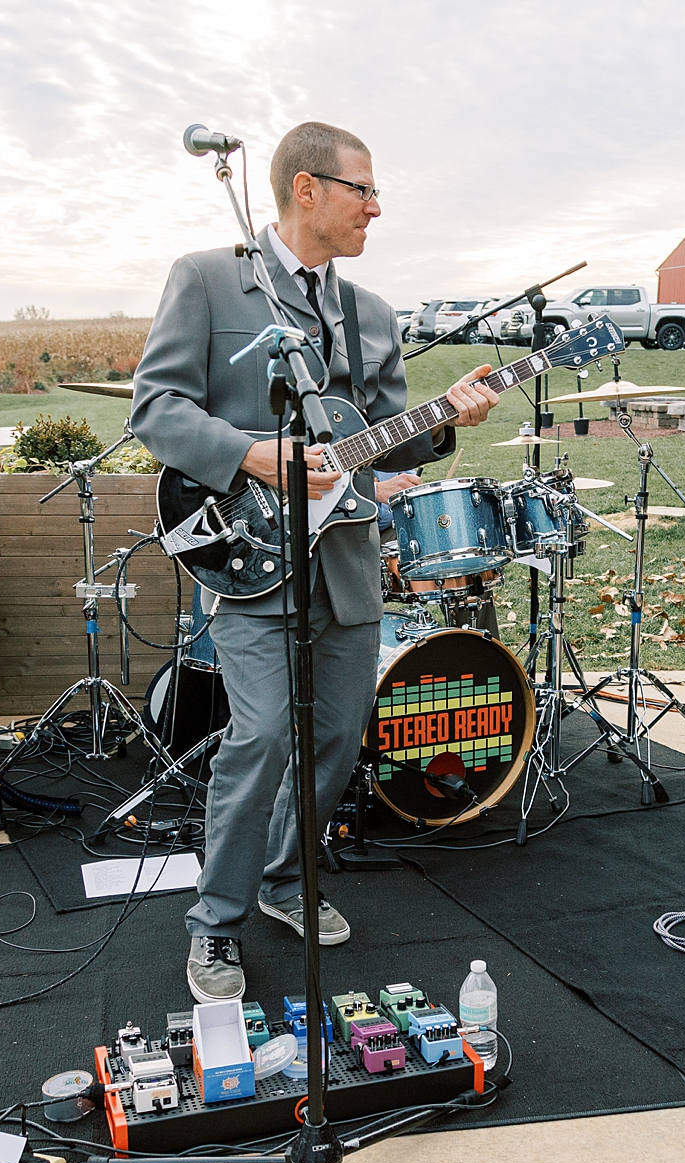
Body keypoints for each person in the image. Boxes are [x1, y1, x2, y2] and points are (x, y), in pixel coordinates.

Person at [130, 122, 500, 1001]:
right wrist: (253, 456)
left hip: (345, 561)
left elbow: (381, 438)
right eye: (362, 190)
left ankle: (287, 881)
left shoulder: (369, 312)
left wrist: (447, 418)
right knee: (259, 736)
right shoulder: (210, 279)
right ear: (306, 189)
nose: (376, 206)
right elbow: (157, 408)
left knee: (335, 738)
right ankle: (214, 927)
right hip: (249, 554)